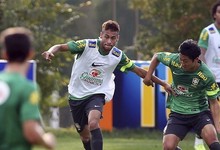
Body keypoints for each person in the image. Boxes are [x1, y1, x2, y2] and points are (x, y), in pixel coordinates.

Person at [42, 20, 171, 150]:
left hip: (98, 93)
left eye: (113, 38)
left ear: (117, 38)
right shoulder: (87, 45)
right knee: (85, 137)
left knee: (93, 123)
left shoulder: (118, 56)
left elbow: (139, 71)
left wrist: (163, 83)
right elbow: (60, 46)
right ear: (101, 35)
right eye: (106, 37)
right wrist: (50, 51)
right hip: (76, 95)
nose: (109, 41)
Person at [143, 39, 220, 150]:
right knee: (168, 147)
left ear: (196, 60)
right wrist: (148, 76)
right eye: (181, 59)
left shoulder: (206, 75)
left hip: (200, 113)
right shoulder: (174, 60)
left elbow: (214, 103)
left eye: (185, 61)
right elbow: (157, 56)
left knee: (214, 143)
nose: (182, 63)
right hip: (178, 113)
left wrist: (218, 126)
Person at [0, 27, 56, 150]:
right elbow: (31, 132)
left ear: (5, 54)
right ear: (30, 53)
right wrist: (47, 141)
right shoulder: (28, 88)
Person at [194, 1, 220, 149]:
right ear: (214, 14)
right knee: (208, 111)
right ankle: (198, 140)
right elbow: (200, 54)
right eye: (219, 12)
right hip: (211, 77)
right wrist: (205, 72)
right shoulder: (208, 32)